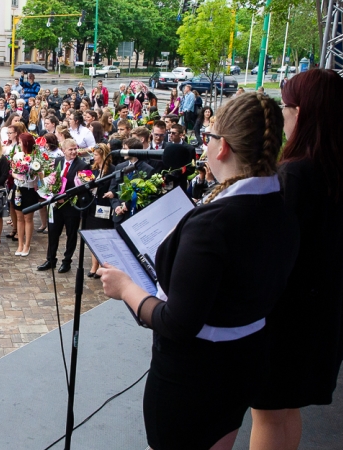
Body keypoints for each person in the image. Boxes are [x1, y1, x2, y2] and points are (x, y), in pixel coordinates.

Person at [99, 92, 300, 450]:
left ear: (222, 147)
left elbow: (179, 322)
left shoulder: (213, 225)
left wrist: (125, 288)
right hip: (243, 361)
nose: (204, 146)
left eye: (207, 138)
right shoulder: (278, 203)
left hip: (192, 377)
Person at [249, 70, 343, 450]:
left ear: (301, 113)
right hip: (325, 317)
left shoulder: (295, 174)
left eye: (285, 108)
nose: (282, 117)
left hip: (284, 321)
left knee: (267, 413)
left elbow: (270, 253)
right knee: (288, 410)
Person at [37, 138, 91, 274]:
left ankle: (67, 261)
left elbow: (83, 188)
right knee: (53, 232)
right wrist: (51, 189)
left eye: (75, 149)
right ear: (63, 150)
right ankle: (50, 259)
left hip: (71, 206)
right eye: (70, 149)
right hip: (56, 204)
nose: (73, 152)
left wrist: (67, 197)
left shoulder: (83, 166)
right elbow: (55, 178)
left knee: (71, 234)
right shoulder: (58, 161)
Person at [85, 144, 114, 277]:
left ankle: (103, 264)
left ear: (103, 155)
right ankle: (94, 264)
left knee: (102, 236)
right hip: (92, 206)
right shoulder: (93, 169)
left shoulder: (112, 170)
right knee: (92, 236)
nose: (93, 157)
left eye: (96, 155)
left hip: (104, 206)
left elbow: (112, 186)